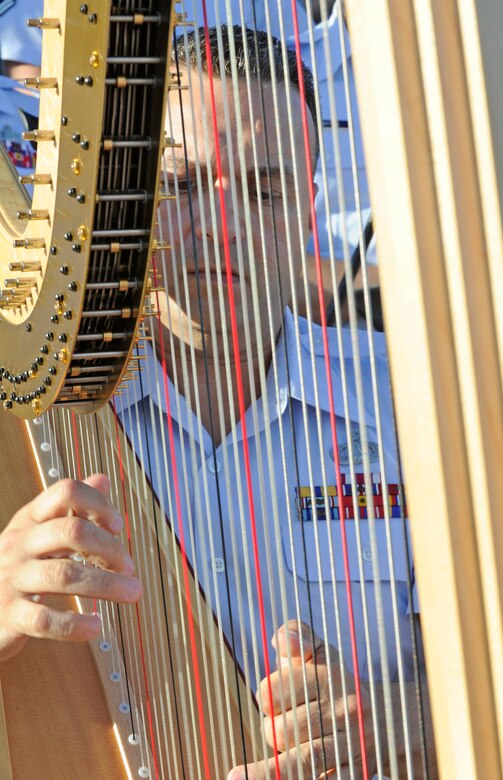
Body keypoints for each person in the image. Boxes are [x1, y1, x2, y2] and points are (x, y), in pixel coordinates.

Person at [0, 25, 436, 780]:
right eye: (181, 184)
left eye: (262, 188)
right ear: (124, 203)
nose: (221, 228)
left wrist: (391, 720)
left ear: (307, 205)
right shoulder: (32, 416)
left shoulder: (410, 407)